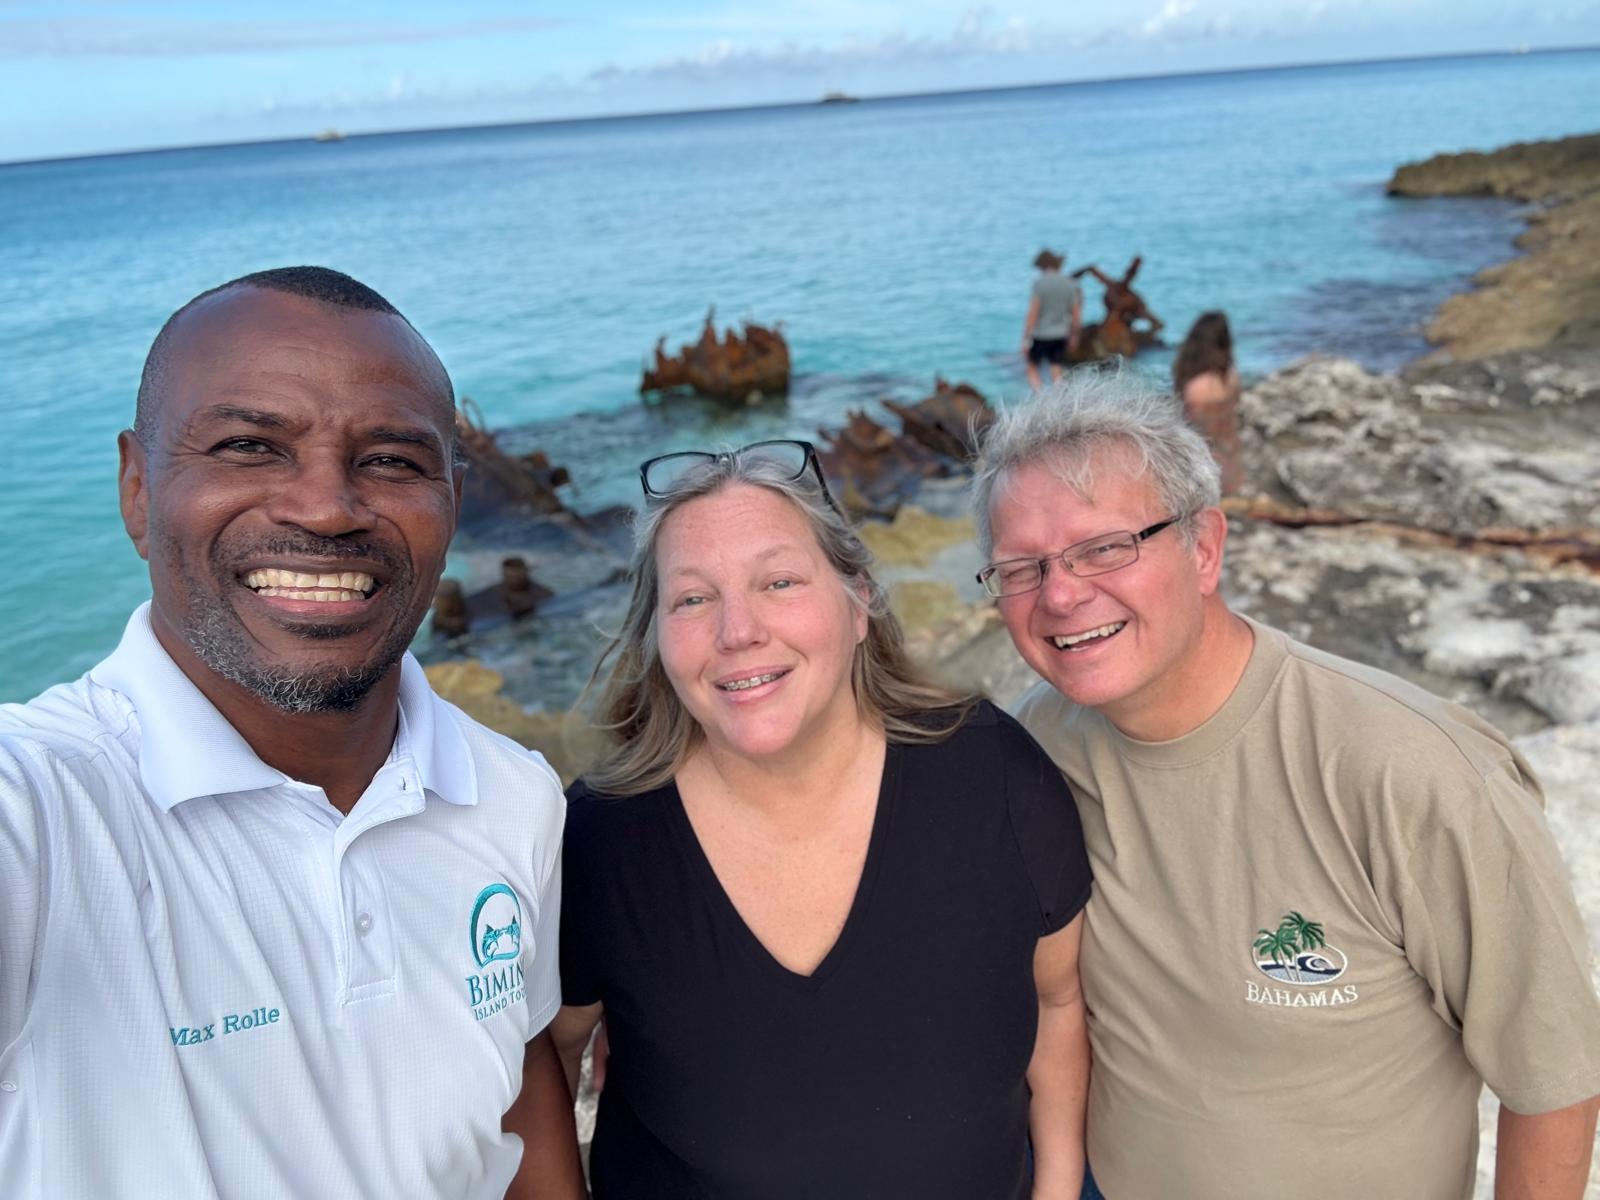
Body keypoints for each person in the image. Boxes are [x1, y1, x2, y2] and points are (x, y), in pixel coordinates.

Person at [0, 267, 584, 1199]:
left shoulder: (511, 794)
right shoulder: (46, 806)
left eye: (393, 460)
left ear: (454, 503)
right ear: (136, 488)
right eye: (248, 446)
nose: (325, 506)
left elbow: (516, 1085)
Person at [969, 373, 1600, 1200]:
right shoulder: (1036, 747)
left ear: (1203, 548)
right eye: (1022, 568)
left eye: (1105, 547)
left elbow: (1554, 1081)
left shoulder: (1413, 773)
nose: (1059, 594)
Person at [551, 440, 1092, 1198]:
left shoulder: (993, 776)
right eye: (693, 598)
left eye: (778, 581)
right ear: (656, 637)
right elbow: (541, 1057)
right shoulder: (602, 842)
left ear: (860, 602)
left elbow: (1057, 1000)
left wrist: (1060, 1188)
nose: (737, 630)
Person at [1172, 310, 1243, 494]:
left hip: (1203, 460)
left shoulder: (1195, 387)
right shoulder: (1231, 377)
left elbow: (1193, 428)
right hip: (1231, 456)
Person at [1022, 249, 1083, 390]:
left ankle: (1041, 397)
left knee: (1031, 370)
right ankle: (1060, 397)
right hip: (1061, 334)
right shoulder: (1070, 284)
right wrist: (1074, 336)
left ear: (1042, 266)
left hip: (1040, 335)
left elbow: (1033, 313)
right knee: (1056, 370)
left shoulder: (1039, 283)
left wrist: (1025, 339)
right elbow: (1076, 315)